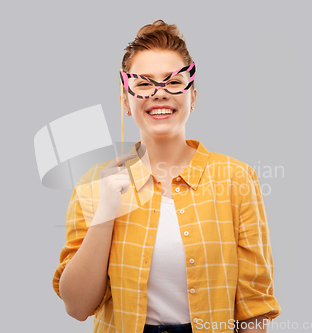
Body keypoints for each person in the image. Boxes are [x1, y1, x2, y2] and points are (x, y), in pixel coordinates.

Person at [53, 20, 282, 333]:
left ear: (193, 98)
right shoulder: (94, 184)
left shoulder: (236, 178)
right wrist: (106, 212)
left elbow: (254, 306)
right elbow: (77, 306)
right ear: (126, 102)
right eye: (144, 84)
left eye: (173, 83)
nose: (159, 93)